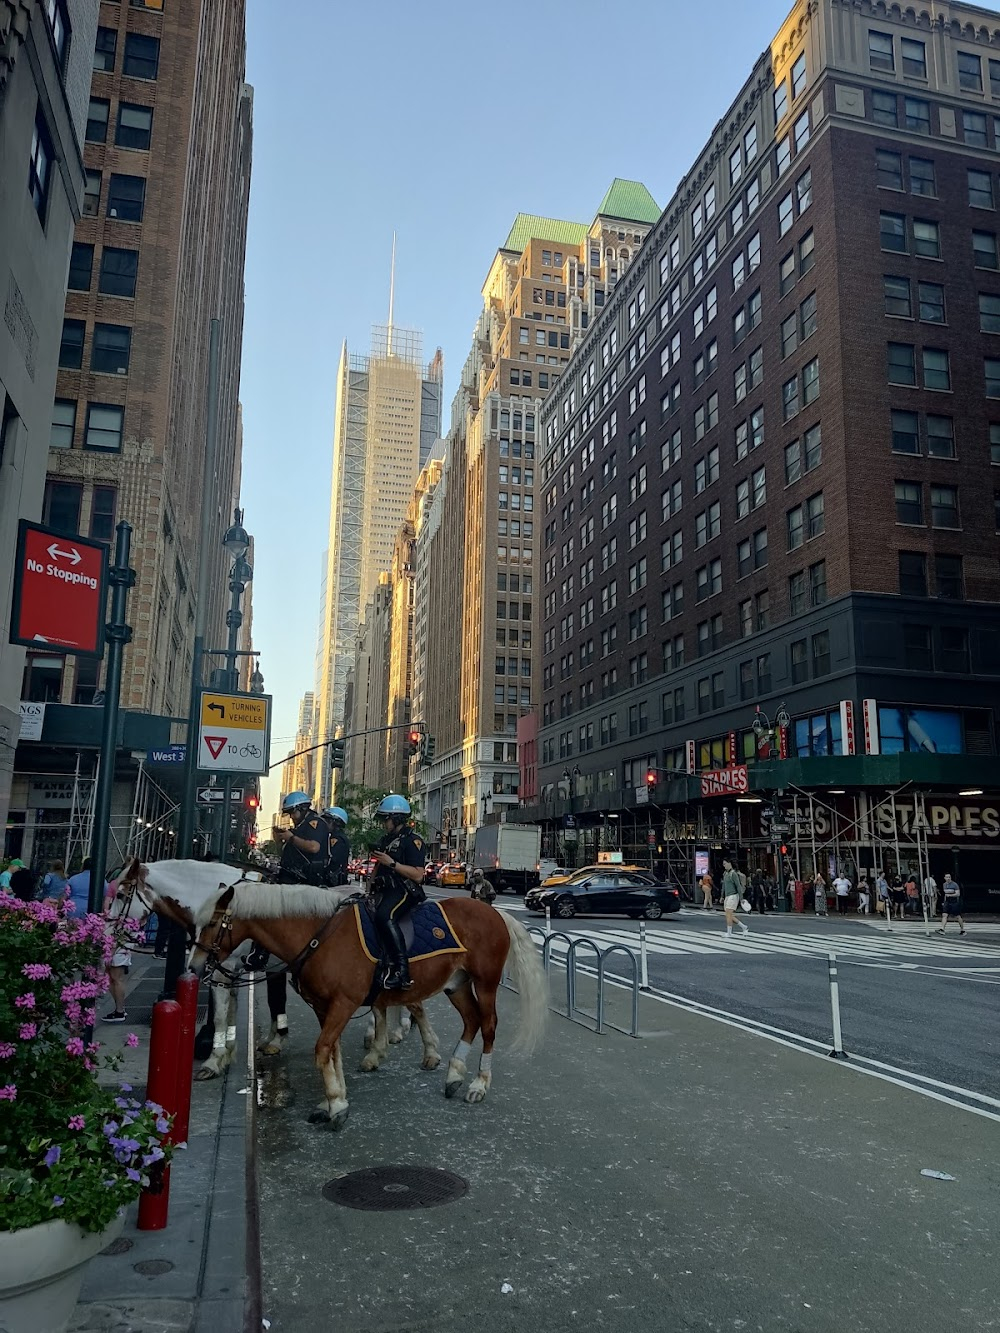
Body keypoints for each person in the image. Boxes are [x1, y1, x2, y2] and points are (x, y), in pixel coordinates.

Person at [255, 792, 332, 1052]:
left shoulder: (315, 824)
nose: (290, 816)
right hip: (289, 886)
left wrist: (291, 838)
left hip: (305, 890)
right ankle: (280, 1025)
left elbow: (314, 848)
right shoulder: (299, 827)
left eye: (292, 812)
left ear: (302, 808)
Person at [369, 794, 427, 990]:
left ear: (397, 818)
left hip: (404, 890)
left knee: (385, 915)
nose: (384, 823)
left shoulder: (413, 841)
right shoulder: (387, 839)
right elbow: (378, 865)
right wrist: (368, 887)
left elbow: (418, 875)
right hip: (384, 889)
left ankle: (401, 971)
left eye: (387, 818)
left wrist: (392, 863)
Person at [101, 876, 132, 1023]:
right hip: (115, 932)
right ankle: (119, 1009)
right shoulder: (120, 889)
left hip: (119, 935)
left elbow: (107, 904)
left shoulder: (119, 889)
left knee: (115, 976)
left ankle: (120, 1010)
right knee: (111, 976)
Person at [322, 806, 351, 887]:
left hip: (333, 883)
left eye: (328, 821)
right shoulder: (333, 837)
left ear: (336, 823)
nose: (325, 823)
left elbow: (331, 860)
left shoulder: (338, 839)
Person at [720, 859, 749, 938]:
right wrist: (722, 896)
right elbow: (724, 886)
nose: (724, 865)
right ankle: (743, 927)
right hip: (727, 896)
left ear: (729, 863)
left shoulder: (733, 874)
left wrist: (741, 898)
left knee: (728, 913)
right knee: (728, 915)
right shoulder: (725, 873)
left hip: (733, 896)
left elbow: (738, 886)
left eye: (725, 863)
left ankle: (729, 932)